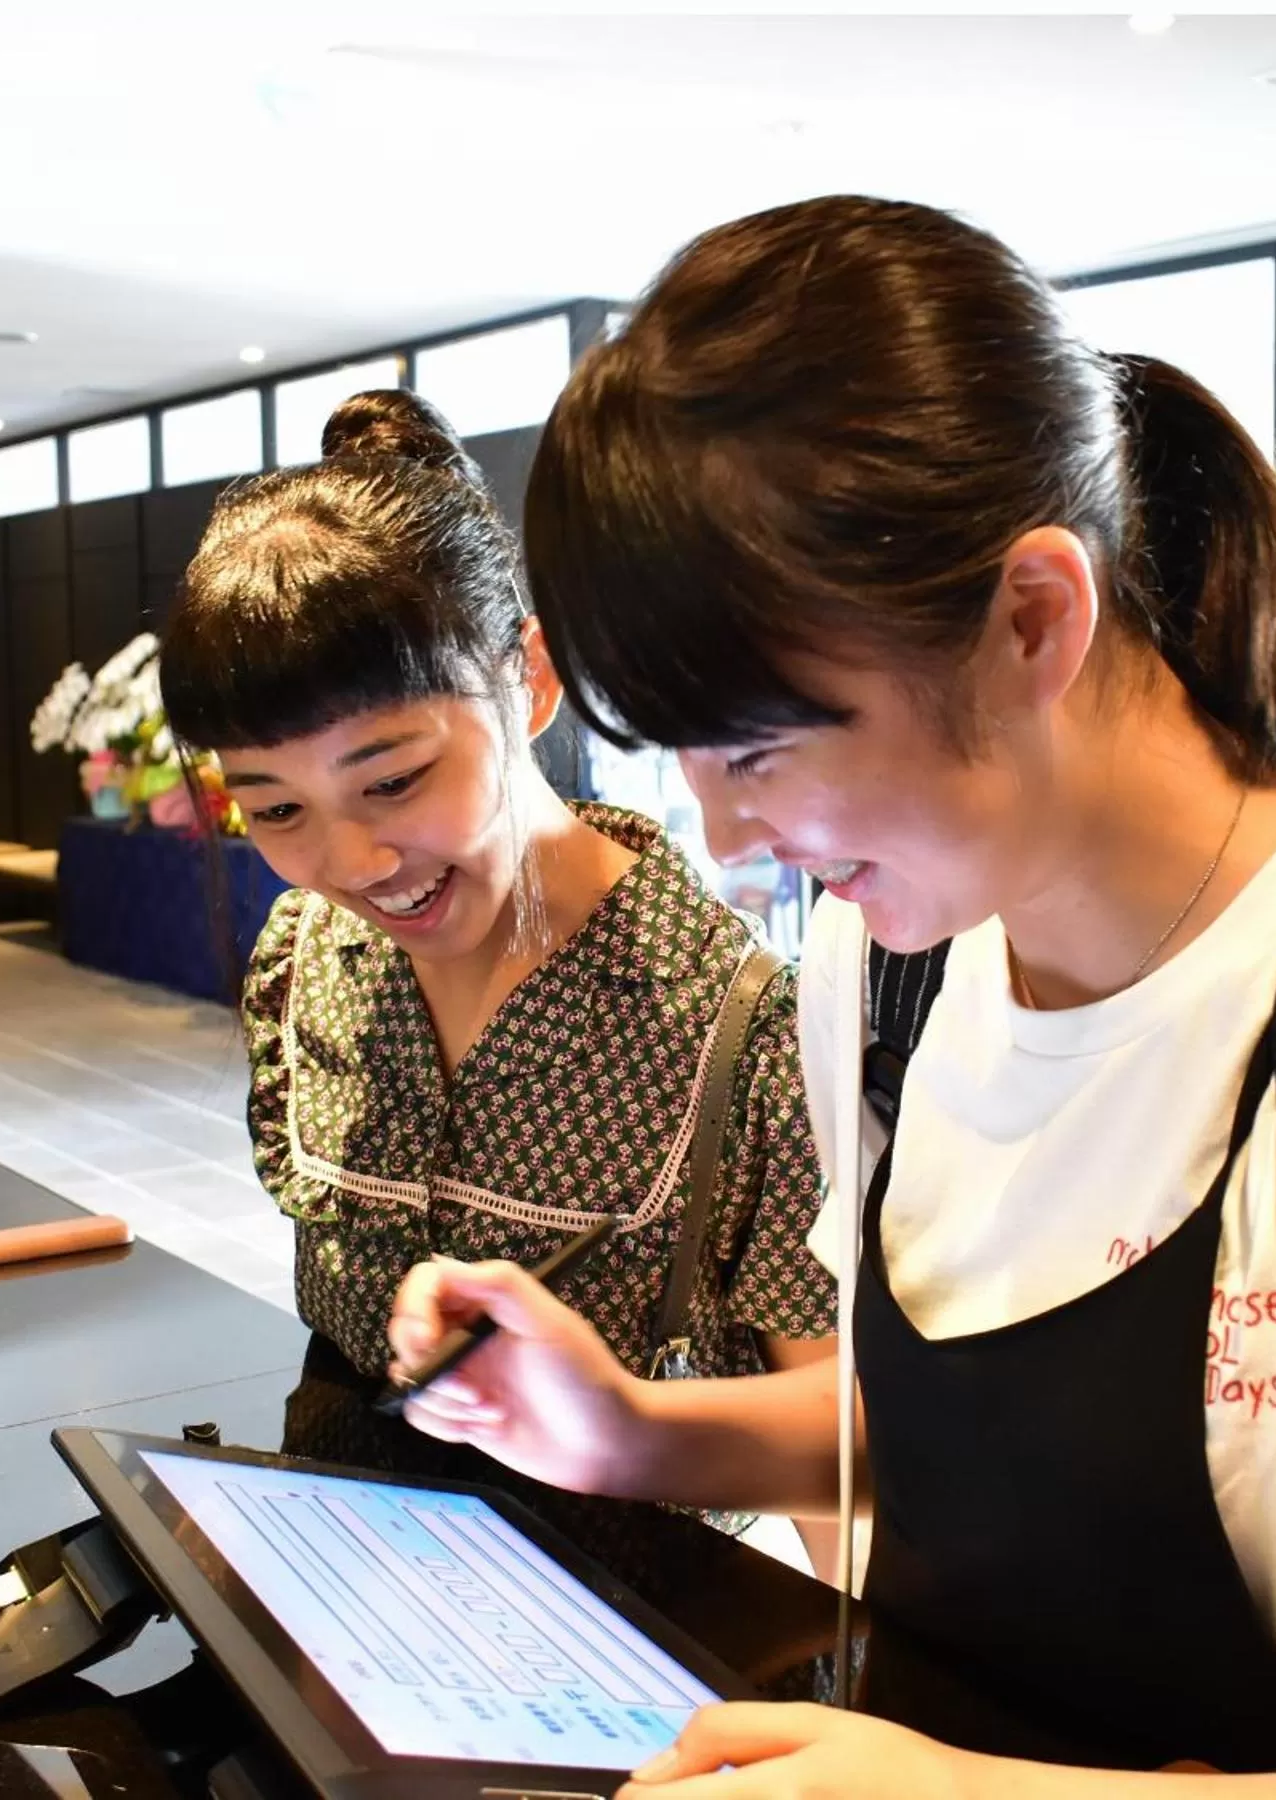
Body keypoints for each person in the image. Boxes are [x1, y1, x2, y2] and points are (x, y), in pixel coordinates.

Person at [386, 198, 1276, 1797]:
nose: (722, 840)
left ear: (1033, 620)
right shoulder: (888, 969)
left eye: (762, 747)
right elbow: (970, 1441)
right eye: (680, 760)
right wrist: (635, 1434)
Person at [158, 388, 838, 1560]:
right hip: (349, 1577)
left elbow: (836, 1440)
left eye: (393, 781)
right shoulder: (302, 959)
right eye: (276, 809)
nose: (351, 862)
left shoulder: (742, 1024)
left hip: (633, 1629)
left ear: (525, 681)